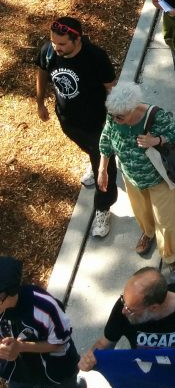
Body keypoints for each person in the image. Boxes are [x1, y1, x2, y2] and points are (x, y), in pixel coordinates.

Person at [35, 16, 117, 240]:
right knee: (91, 152)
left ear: (77, 39)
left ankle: (103, 208)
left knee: (105, 169)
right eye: (53, 42)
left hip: (96, 123)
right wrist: (40, 102)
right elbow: (42, 72)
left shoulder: (96, 57)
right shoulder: (49, 51)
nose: (56, 47)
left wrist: (118, 118)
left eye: (62, 44)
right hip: (68, 120)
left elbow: (111, 88)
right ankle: (93, 158)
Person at [98, 82, 175, 268]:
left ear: (133, 109)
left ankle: (170, 256)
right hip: (131, 177)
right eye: (112, 116)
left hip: (159, 178)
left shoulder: (155, 116)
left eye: (120, 117)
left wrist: (155, 140)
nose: (115, 119)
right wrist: (102, 169)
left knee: (165, 220)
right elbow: (106, 138)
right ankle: (148, 232)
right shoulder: (115, 114)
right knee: (142, 211)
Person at [79, 267, 175, 367]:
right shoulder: (125, 307)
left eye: (130, 309)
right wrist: (91, 357)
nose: (123, 311)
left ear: (153, 308)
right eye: (123, 300)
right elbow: (105, 343)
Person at [0, 256, 82, 388]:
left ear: (12, 292)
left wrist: (20, 346)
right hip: (20, 375)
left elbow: (59, 343)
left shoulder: (45, 308)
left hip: (57, 371)